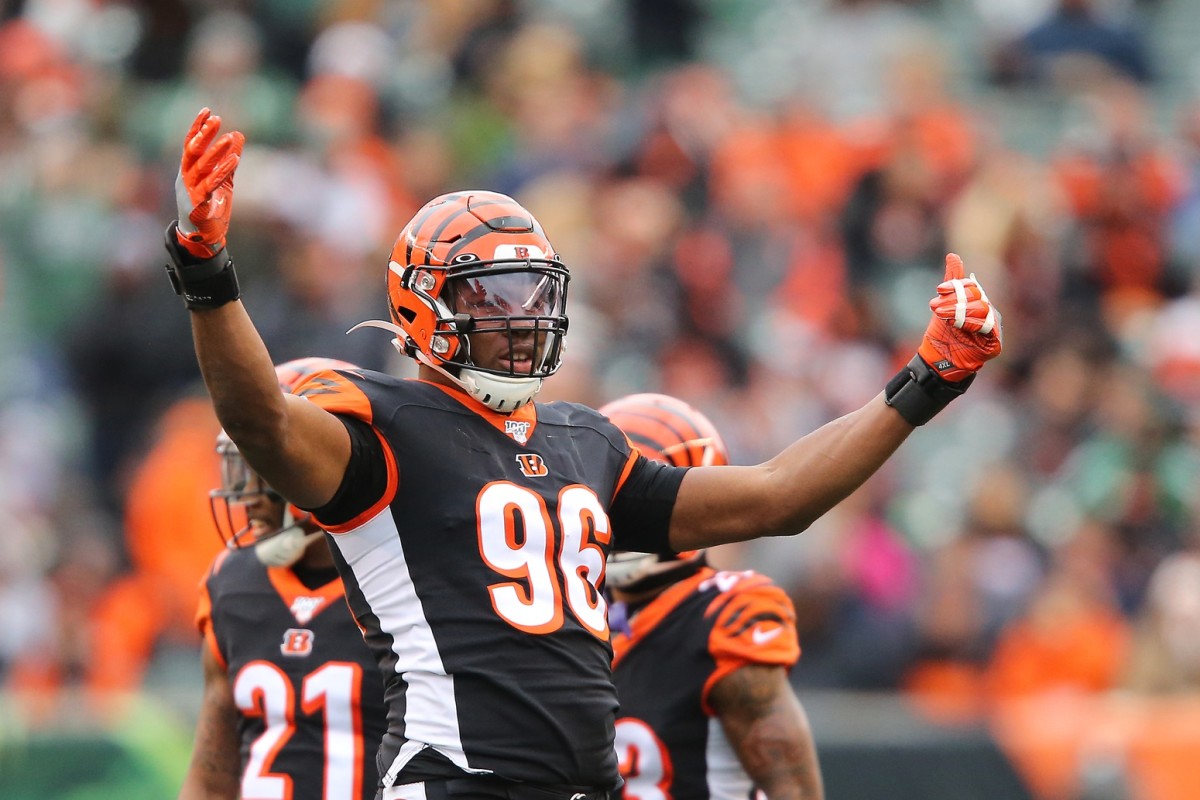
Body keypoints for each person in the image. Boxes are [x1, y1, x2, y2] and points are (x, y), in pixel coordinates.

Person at [161, 107, 1001, 800]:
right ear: (422, 307)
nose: (521, 316)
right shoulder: (387, 430)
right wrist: (207, 271)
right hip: (453, 782)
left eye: (531, 291)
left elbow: (778, 496)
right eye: (491, 296)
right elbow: (261, 420)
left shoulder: (584, 441)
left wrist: (927, 380)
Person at [179, 356, 388, 800]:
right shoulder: (232, 584)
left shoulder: (404, 583)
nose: (245, 495)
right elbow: (212, 781)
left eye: (264, 469)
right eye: (243, 467)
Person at [602, 392, 823, 800]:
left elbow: (794, 790)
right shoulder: (573, 616)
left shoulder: (721, 615)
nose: (623, 520)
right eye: (611, 501)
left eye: (642, 499)